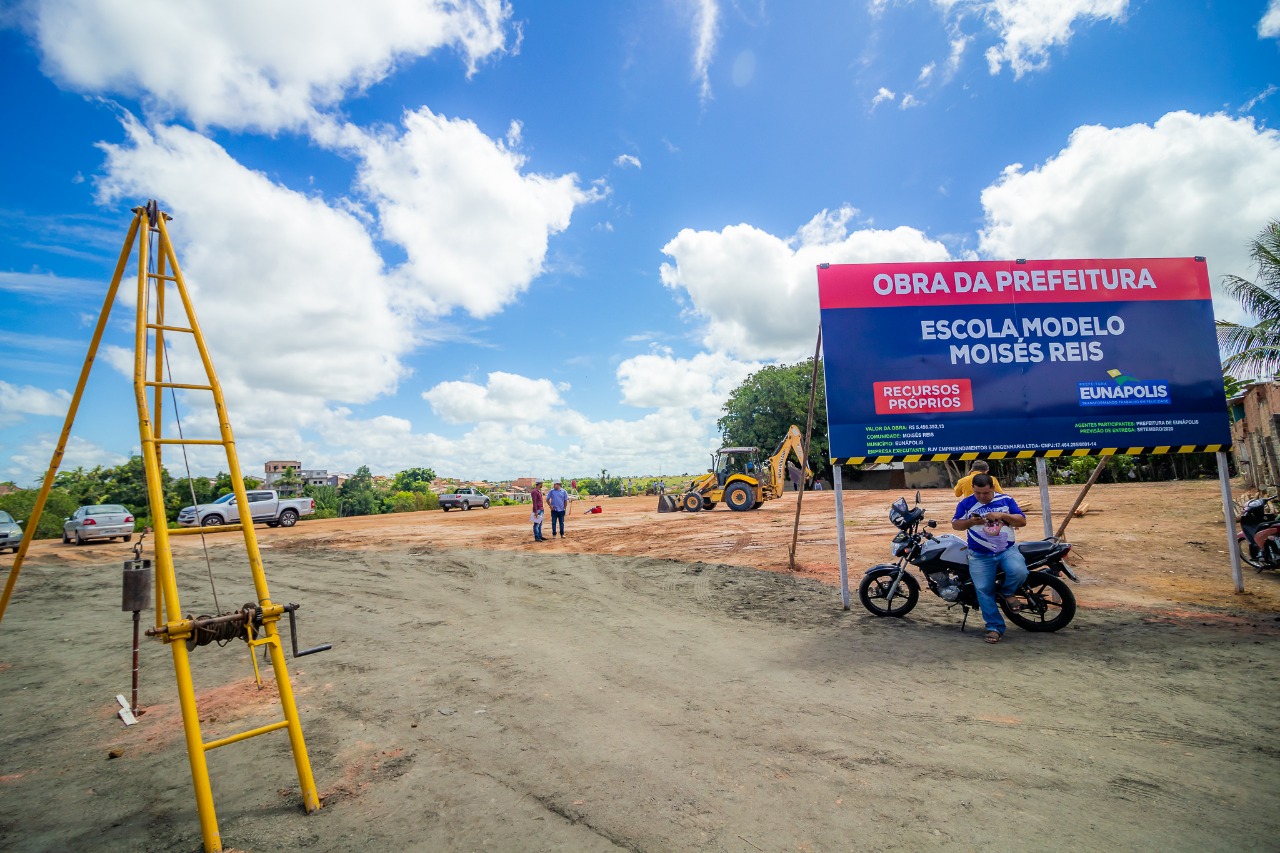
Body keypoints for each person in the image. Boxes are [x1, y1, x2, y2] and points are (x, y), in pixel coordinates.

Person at [952, 473, 1027, 644]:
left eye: (985, 493)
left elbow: (1022, 521)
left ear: (992, 488)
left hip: (1006, 551)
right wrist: (971, 522)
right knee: (984, 591)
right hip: (979, 555)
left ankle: (1007, 592)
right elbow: (955, 524)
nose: (981, 497)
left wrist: (1002, 516)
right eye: (977, 493)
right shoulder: (966, 503)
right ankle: (994, 628)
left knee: (1019, 571)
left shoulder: (1006, 500)